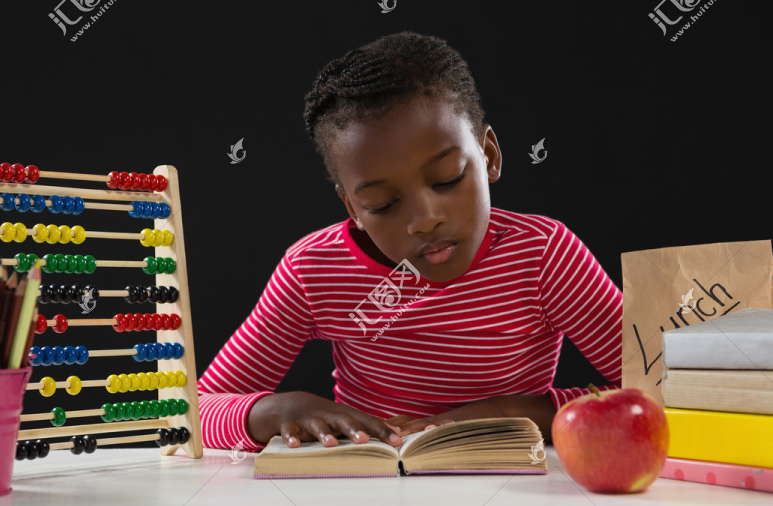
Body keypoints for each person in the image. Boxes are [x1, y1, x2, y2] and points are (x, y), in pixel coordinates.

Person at [197, 31, 622, 453]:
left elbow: (663, 388)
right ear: (353, 209)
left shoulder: (543, 255)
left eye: (448, 179)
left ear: (489, 155)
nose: (425, 221)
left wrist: (527, 411)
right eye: (381, 205)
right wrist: (276, 410)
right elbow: (192, 413)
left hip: (514, 498)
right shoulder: (313, 270)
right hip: (375, 500)